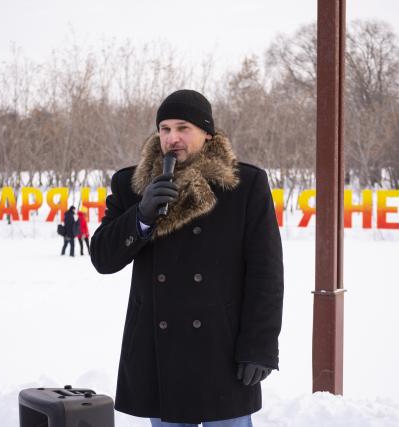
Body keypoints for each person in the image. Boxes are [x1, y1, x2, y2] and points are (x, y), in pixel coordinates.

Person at [90, 89, 283, 426]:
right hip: (159, 353)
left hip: (222, 351)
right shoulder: (131, 185)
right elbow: (103, 258)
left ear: (207, 133)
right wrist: (142, 215)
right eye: (164, 129)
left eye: (183, 128)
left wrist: (260, 346)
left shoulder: (245, 184)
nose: (172, 138)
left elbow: (266, 273)